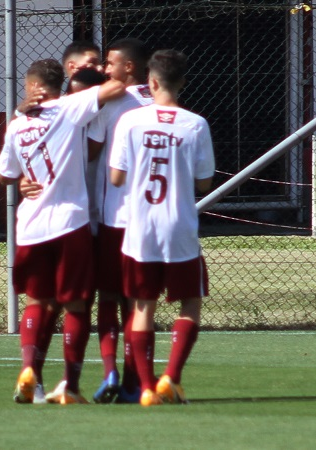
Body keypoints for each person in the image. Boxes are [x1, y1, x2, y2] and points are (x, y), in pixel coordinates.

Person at [0, 58, 125, 405]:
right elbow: (116, 89)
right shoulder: (69, 107)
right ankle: (69, 384)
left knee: (38, 301)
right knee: (77, 305)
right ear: (58, 86)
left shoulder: (18, 122)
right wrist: (106, 74)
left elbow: (4, 174)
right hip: (70, 223)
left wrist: (19, 117)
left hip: (31, 227)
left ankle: (28, 371)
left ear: (32, 88)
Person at [109, 49, 215, 406]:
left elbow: (116, 175)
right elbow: (204, 182)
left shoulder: (130, 121)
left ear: (151, 82)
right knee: (190, 303)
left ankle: (147, 389)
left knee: (142, 306)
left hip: (139, 228)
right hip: (179, 227)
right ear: (182, 83)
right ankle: (172, 377)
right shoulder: (195, 123)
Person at [86, 38, 154, 404]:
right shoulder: (162, 103)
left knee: (109, 298)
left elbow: (89, 152)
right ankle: (135, 382)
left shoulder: (111, 103)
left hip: (114, 217)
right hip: (150, 221)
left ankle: (110, 368)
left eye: (110, 63)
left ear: (129, 68)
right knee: (142, 303)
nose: (105, 69)